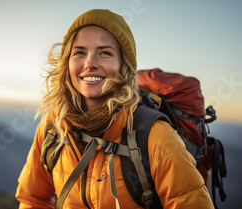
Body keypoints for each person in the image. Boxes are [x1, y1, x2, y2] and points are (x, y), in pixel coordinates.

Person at [15, 9, 214, 208]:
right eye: (79, 53)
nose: (90, 63)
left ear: (124, 67)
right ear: (67, 62)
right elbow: (33, 199)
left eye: (104, 53)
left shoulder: (155, 135)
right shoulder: (52, 127)